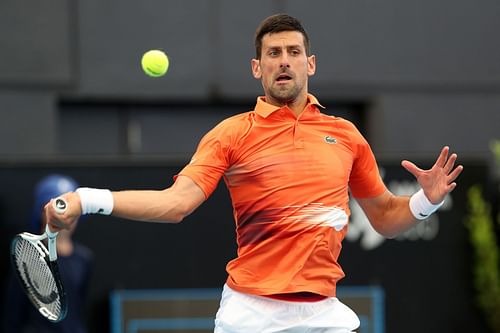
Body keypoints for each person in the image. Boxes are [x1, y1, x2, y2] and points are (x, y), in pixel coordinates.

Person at [45, 14, 463, 333]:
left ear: (310, 64)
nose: (284, 62)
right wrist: (88, 198)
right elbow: (175, 204)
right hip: (252, 314)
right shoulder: (232, 134)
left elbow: (386, 217)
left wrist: (426, 200)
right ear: (256, 68)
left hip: (324, 312)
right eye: (273, 54)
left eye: (293, 52)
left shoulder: (346, 135)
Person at [4, 174, 93, 333]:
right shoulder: (26, 255)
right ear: (42, 211)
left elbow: (79, 308)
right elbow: (13, 313)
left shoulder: (84, 259)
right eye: (59, 208)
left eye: (70, 210)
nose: (64, 217)